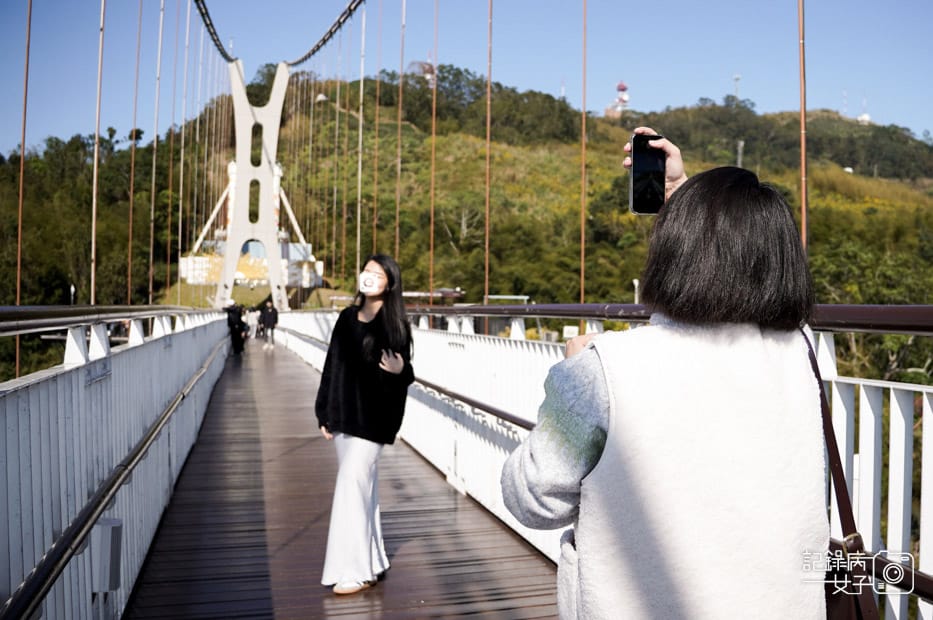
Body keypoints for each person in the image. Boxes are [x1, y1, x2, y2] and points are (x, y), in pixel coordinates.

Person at [500, 128, 828, 619]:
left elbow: (533, 500)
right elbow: (737, 267)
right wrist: (689, 196)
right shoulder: (804, 354)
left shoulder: (604, 371)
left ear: (672, 252)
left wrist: (570, 383)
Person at [315, 254, 415, 595]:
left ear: (390, 283)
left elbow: (405, 371)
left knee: (350, 488)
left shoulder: (395, 325)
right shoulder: (345, 318)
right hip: (344, 417)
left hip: (373, 421)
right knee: (362, 490)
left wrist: (403, 372)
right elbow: (332, 366)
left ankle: (354, 571)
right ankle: (372, 562)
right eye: (367, 270)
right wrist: (323, 411)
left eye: (377, 273)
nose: (369, 276)